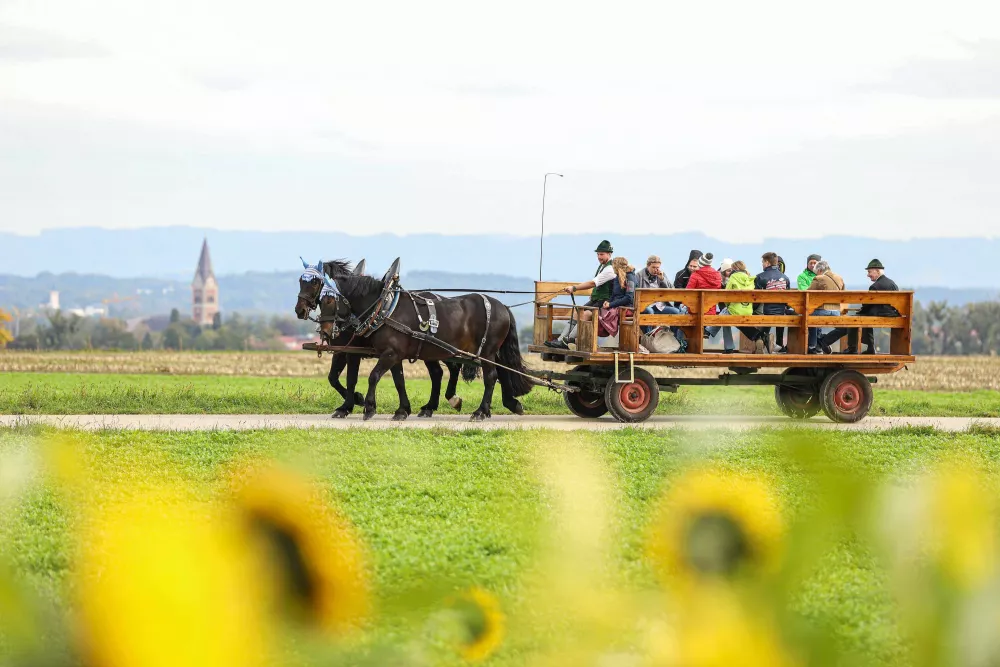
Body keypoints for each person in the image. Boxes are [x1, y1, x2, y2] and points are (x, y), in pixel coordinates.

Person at [817, 259, 899, 355]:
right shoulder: (893, 284)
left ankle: (851, 348)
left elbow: (867, 305)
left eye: (869, 272)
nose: (868, 275)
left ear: (877, 271)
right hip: (892, 315)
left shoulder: (875, 286)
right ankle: (870, 348)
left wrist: (860, 312)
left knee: (852, 320)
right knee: (860, 317)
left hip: (880, 315)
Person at [544, 240, 614, 350]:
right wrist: (594, 294)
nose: (599, 257)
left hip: (605, 302)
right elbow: (599, 285)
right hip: (597, 299)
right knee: (577, 313)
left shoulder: (610, 269)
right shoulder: (603, 266)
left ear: (609, 254)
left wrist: (574, 288)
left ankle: (567, 341)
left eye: (601, 254)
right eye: (598, 254)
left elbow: (592, 283)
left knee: (584, 315)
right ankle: (560, 340)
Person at [705, 260, 766, 353]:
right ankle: (758, 337)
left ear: (735, 269)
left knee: (725, 312)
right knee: (725, 316)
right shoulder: (750, 279)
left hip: (735, 310)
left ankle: (708, 331)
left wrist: (728, 306)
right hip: (748, 310)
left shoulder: (733, 277)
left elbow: (726, 296)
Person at [754, 252, 791, 353]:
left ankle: (761, 339)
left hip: (765, 311)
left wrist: (752, 309)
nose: (762, 264)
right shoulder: (785, 278)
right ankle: (779, 345)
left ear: (767, 263)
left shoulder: (760, 277)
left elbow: (755, 299)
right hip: (781, 312)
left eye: (763, 262)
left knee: (757, 312)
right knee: (780, 314)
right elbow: (788, 299)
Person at [806, 260, 844, 353]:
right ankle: (823, 341)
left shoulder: (819, 278)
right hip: (836, 311)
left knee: (808, 316)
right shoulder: (839, 278)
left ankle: (812, 346)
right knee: (843, 328)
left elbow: (808, 294)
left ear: (819, 270)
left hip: (823, 310)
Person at [637, 255, 677, 335]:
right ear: (648, 265)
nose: (656, 270)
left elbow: (672, 290)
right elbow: (635, 292)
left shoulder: (661, 275)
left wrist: (662, 279)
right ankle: (648, 338)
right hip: (645, 306)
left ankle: (673, 337)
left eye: (657, 267)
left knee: (676, 312)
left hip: (660, 306)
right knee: (649, 312)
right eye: (653, 267)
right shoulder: (639, 275)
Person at [599, 257, 638, 336]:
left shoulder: (630, 278)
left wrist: (611, 304)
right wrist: (608, 302)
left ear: (616, 267)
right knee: (597, 313)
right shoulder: (617, 277)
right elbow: (614, 295)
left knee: (598, 317)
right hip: (617, 306)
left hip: (627, 308)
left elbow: (628, 298)